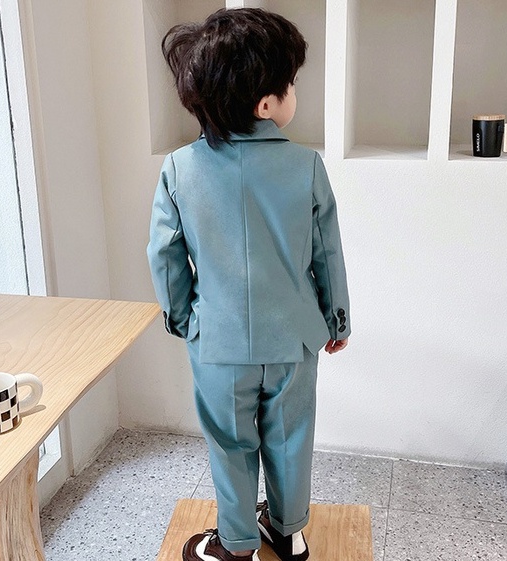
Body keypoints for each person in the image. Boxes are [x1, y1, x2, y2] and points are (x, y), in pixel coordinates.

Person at [147, 8, 350, 561]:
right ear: (266, 104)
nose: (294, 94)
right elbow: (327, 251)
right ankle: (288, 532)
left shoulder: (179, 168)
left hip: (218, 340)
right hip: (294, 340)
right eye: (291, 84)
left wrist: (184, 319)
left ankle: (236, 545)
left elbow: (164, 254)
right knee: (291, 437)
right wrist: (336, 319)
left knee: (230, 442)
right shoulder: (307, 166)